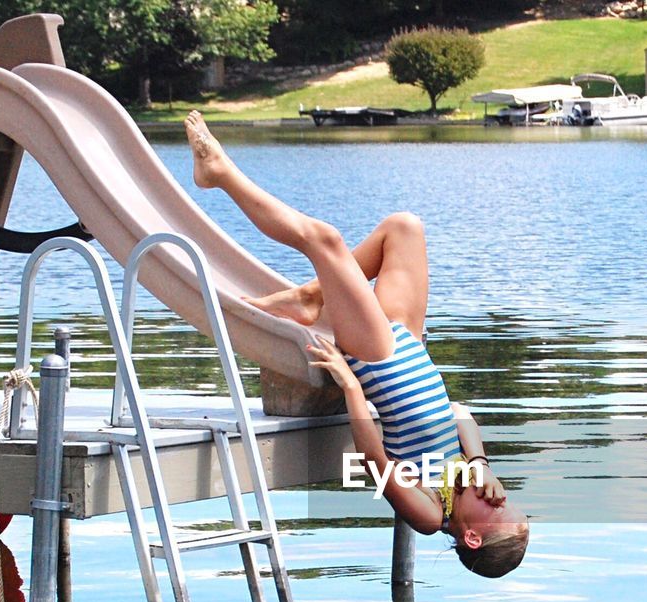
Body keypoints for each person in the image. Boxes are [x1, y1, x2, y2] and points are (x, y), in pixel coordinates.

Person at [185, 113, 528, 577]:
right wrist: (481, 461)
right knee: (403, 227)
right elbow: (460, 411)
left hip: (379, 359)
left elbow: (375, 461)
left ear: (472, 535)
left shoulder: (430, 512)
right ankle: (310, 298)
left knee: (324, 240)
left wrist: (351, 387)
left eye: (502, 511)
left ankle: (219, 173)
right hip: (409, 341)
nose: (502, 497)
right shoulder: (470, 476)